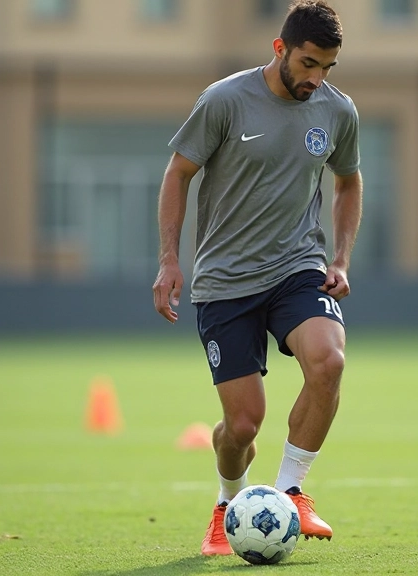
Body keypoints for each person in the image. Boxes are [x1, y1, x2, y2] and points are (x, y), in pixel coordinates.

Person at [151, 0, 362, 556]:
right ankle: (228, 501)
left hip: (297, 268)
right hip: (225, 281)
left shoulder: (337, 112)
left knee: (330, 361)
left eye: (327, 68)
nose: (317, 79)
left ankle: (292, 491)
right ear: (280, 49)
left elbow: (348, 182)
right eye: (309, 64)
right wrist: (170, 261)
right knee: (242, 426)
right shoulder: (224, 101)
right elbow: (178, 174)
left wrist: (338, 259)